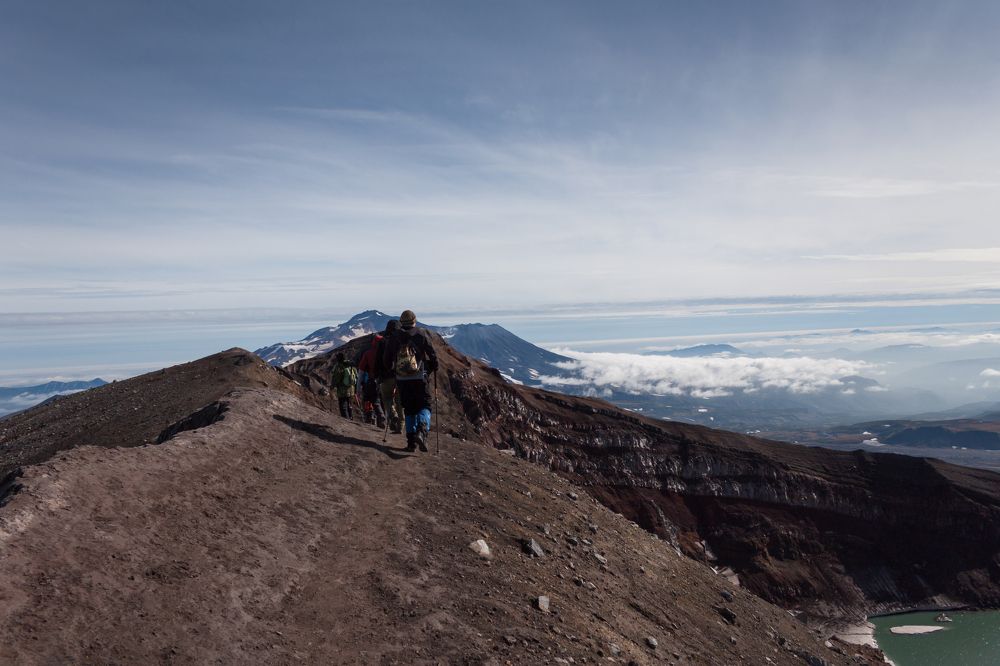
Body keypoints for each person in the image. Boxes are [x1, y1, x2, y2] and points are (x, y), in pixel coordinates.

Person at [381, 309, 438, 452]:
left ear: (401, 322)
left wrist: (394, 371)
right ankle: (422, 429)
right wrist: (431, 369)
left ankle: (411, 443)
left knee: (409, 409)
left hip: (402, 379)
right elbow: (433, 356)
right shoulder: (422, 334)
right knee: (425, 405)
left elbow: (386, 360)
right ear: (414, 321)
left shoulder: (394, 337)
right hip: (419, 377)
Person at [373, 319, 404, 434]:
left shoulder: (383, 342)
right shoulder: (403, 341)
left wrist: (376, 374)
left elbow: (378, 360)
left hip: (386, 376)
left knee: (387, 398)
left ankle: (392, 414)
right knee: (400, 402)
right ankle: (400, 426)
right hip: (401, 376)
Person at [357, 334, 386, 428]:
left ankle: (371, 418)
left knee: (368, 398)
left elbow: (361, 370)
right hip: (385, 380)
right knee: (380, 400)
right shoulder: (386, 352)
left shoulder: (368, 353)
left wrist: (358, 388)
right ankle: (382, 418)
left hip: (372, 380)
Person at [330, 352, 358, 419]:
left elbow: (336, 378)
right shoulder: (350, 365)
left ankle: (346, 420)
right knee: (349, 405)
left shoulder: (340, 366)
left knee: (343, 405)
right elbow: (356, 376)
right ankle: (351, 418)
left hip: (342, 389)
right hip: (351, 389)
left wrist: (332, 387)